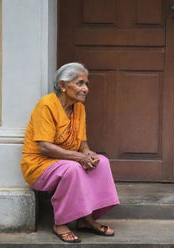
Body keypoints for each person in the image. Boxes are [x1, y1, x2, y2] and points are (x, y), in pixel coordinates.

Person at [21, 63, 120, 243]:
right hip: (38, 165)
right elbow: (45, 147)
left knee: (102, 162)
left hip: (66, 160)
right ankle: (61, 223)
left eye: (86, 84)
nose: (85, 89)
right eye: (80, 83)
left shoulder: (79, 107)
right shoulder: (46, 105)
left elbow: (82, 143)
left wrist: (88, 153)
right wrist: (79, 157)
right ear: (63, 85)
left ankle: (86, 218)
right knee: (73, 168)